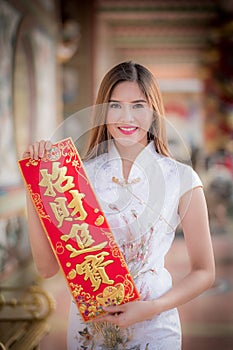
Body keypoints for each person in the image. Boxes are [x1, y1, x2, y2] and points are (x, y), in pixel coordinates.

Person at [23, 61, 215, 350]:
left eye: (138, 105)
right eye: (115, 106)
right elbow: (48, 267)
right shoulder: (76, 177)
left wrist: (151, 307)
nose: (127, 117)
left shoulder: (181, 178)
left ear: (154, 111)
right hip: (89, 333)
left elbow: (204, 271)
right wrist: (34, 181)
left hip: (156, 328)